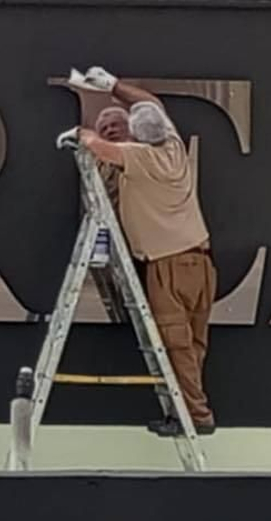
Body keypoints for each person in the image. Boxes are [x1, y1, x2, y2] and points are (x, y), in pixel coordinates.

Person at [74, 67, 216, 437]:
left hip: (168, 264)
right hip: (199, 262)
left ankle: (195, 418)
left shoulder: (140, 157)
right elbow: (152, 105)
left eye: (118, 126)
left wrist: (81, 134)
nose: (111, 132)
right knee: (192, 343)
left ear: (134, 132)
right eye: (106, 127)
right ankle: (190, 409)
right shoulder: (172, 145)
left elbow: (99, 146)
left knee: (176, 344)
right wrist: (114, 87)